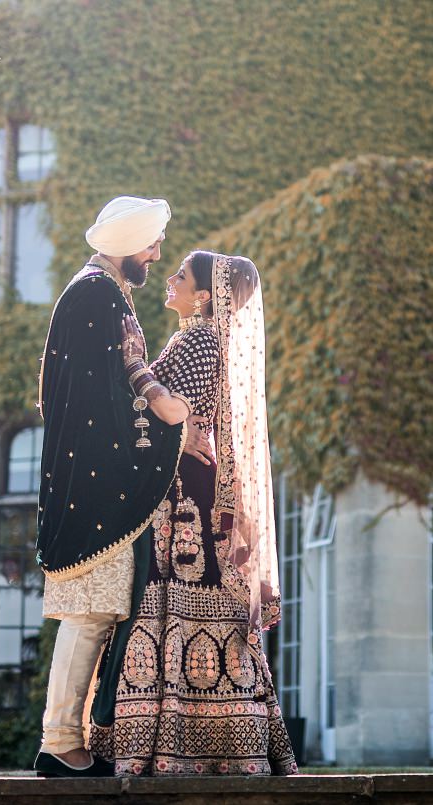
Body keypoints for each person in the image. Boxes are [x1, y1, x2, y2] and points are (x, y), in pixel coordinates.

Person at [90, 251, 297, 776]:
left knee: (170, 602)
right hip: (184, 491)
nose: (170, 278)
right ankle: (212, 738)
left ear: (204, 295)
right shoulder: (203, 340)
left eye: (181, 274)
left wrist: (132, 366)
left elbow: (161, 418)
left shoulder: (198, 340)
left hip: (182, 501)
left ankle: (171, 743)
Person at [33, 197, 211, 778]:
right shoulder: (96, 295)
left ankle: (69, 738)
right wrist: (174, 434)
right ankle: (60, 743)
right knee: (90, 611)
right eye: (153, 245)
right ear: (131, 243)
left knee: (101, 610)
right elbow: (101, 403)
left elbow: (119, 388)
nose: (157, 256)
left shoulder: (105, 293)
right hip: (95, 483)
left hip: (98, 480)